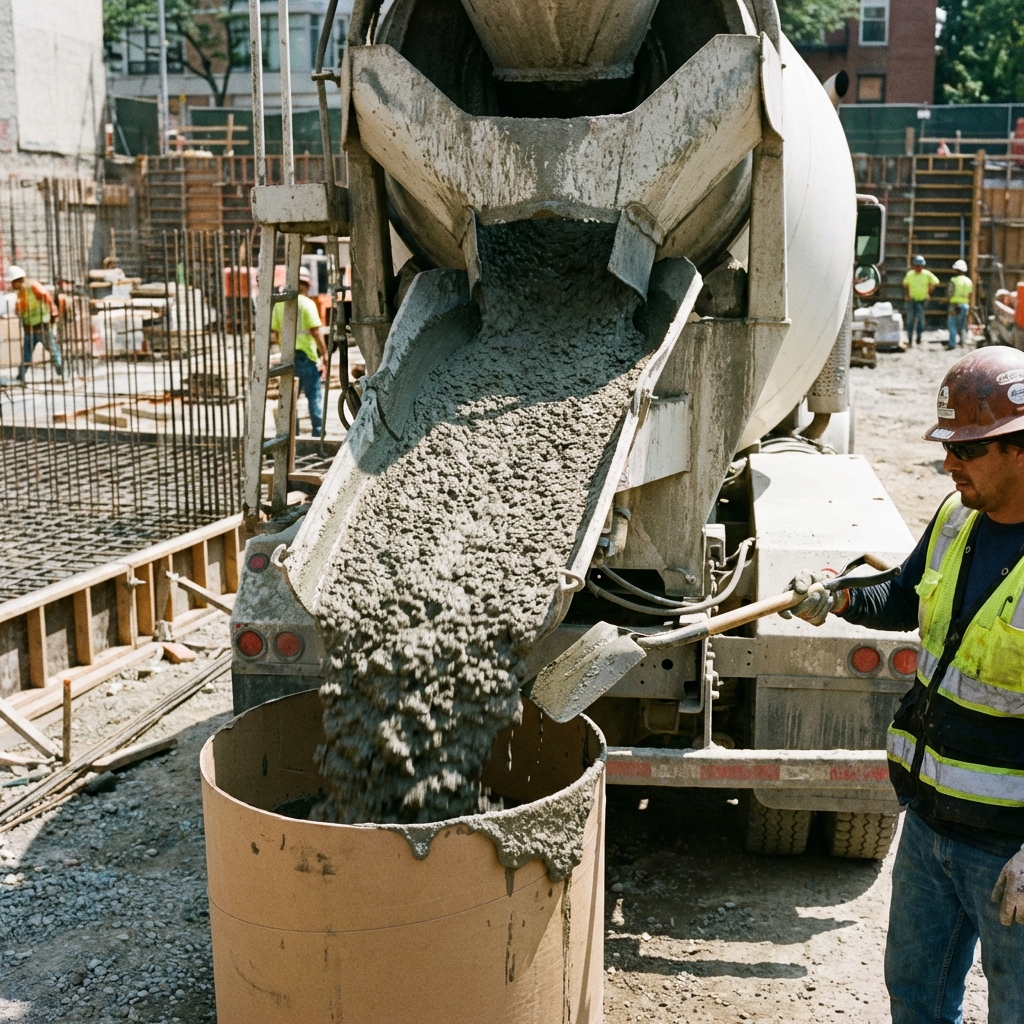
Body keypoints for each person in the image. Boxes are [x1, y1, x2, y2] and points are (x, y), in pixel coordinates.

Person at [784, 345, 1024, 1024]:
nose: (951, 463)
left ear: (1019, 449)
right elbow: (902, 595)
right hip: (928, 826)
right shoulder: (958, 519)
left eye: (970, 450)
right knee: (915, 1001)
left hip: (1009, 848)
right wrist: (835, 599)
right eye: (949, 447)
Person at [270, 265, 328, 436]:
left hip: (288, 358)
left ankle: (291, 433)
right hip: (307, 358)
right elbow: (316, 332)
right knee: (314, 396)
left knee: (289, 399)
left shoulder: (281, 305)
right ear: (306, 284)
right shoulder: (307, 304)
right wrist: (324, 356)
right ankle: (318, 433)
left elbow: (275, 332)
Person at [7, 265, 62, 381]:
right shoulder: (20, 292)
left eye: (13, 282)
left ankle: (62, 373)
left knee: (53, 350)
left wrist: (52, 311)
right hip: (29, 328)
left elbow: (46, 295)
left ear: (18, 280)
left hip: (42, 326)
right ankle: (20, 376)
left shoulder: (32, 285)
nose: (11, 285)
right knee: (26, 353)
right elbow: (21, 306)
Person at [903, 255, 939, 346]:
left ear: (923, 266)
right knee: (910, 321)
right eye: (916, 266)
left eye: (920, 266)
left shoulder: (927, 274)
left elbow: (935, 282)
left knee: (921, 321)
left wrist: (929, 292)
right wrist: (907, 295)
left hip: (922, 301)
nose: (918, 268)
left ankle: (919, 338)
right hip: (912, 301)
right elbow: (905, 284)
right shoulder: (910, 274)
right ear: (913, 266)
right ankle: (910, 339)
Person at [947, 258, 973, 350]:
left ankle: (952, 344)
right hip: (965, 305)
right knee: (962, 325)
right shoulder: (969, 281)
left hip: (954, 305)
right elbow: (970, 295)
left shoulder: (953, 280)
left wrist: (948, 300)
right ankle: (963, 342)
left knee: (952, 324)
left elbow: (950, 293)